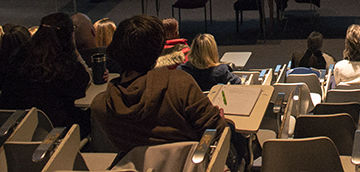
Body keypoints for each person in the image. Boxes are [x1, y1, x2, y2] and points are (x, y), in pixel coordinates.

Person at [91, 15, 228, 153]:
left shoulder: (101, 106)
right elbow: (215, 130)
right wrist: (219, 119)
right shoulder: (180, 83)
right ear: (157, 50)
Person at [0, 13, 91, 134]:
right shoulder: (65, 65)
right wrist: (75, 51)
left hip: (20, 130)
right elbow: (84, 82)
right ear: (69, 36)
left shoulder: (19, 57)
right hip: (61, 132)